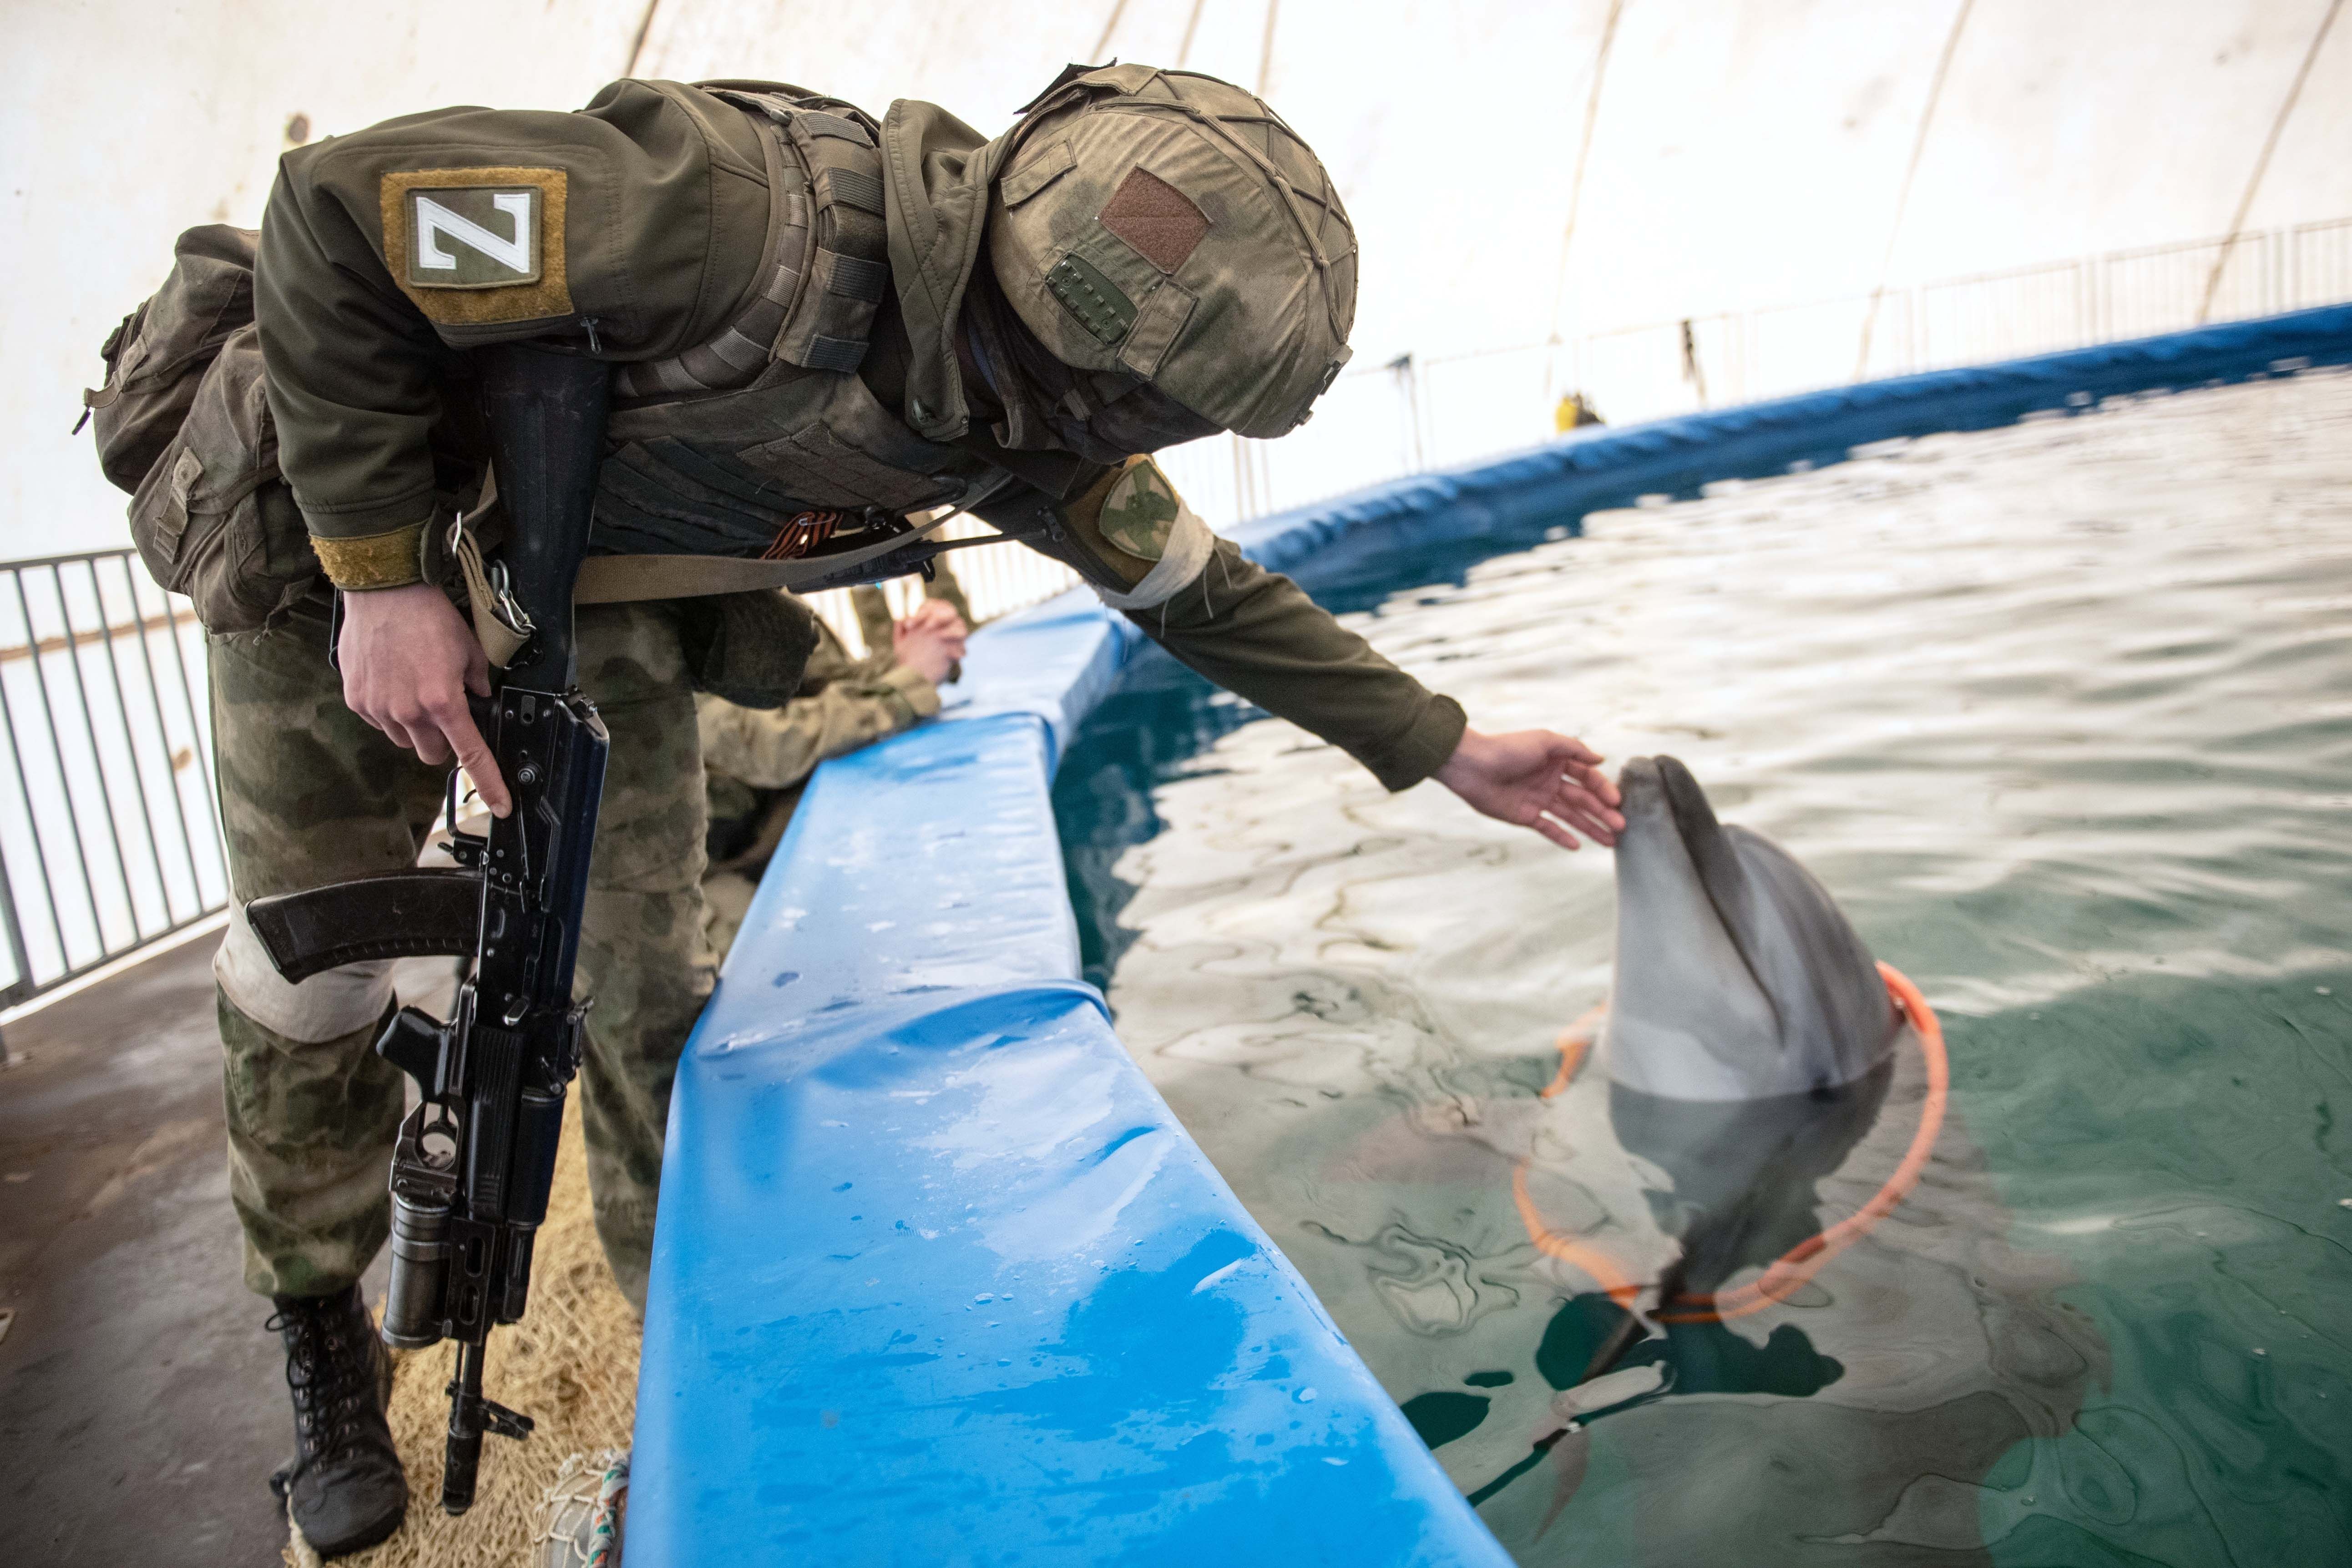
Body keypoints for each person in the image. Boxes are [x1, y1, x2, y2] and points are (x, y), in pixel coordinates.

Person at [209, 61, 1622, 1553]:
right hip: (323, 567)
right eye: (1145, 410)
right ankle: (318, 1323)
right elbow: (333, 222)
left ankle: (679, 1375)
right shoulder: (722, 214)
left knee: (633, 999)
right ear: (1069, 353)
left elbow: (1197, 594)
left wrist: (1444, 742)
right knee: (311, 982)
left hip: (588, 616)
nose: (1132, 446)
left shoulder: (1007, 406)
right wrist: (378, 572)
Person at [700, 597, 966, 955]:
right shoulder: (662, 589)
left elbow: (825, 679)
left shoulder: (741, 583)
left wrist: (922, 654)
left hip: (764, 834)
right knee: (766, 961)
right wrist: (906, 687)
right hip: (706, 876)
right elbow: (768, 745)